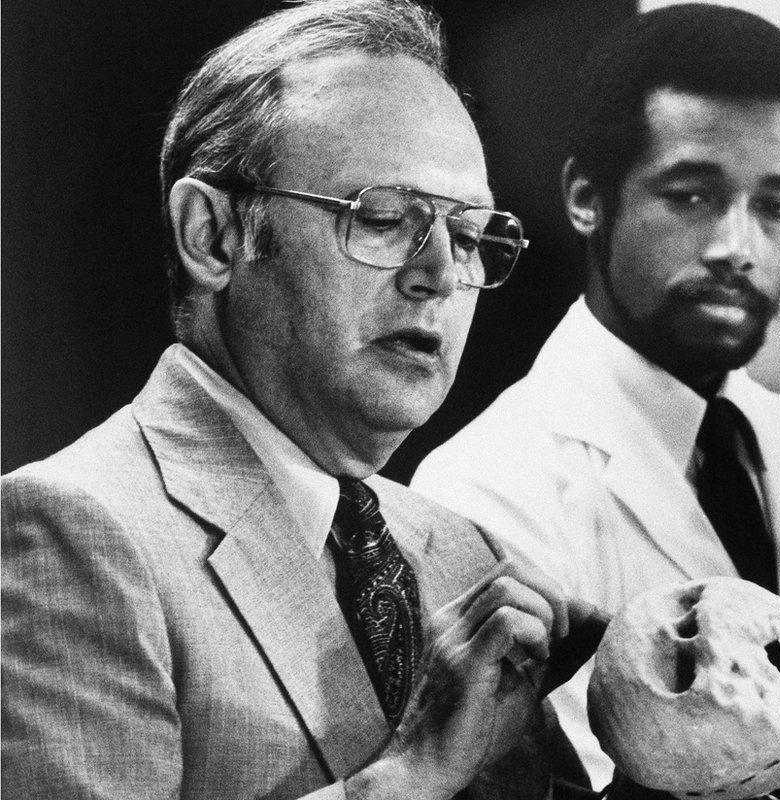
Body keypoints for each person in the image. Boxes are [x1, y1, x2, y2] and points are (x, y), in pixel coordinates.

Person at [1, 2, 595, 798]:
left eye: (468, 235)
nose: (440, 276)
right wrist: (411, 777)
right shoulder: (75, 533)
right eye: (385, 218)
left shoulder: (467, 556)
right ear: (211, 235)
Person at [411, 3, 780, 789]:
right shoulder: (481, 493)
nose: (738, 248)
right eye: (693, 195)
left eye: (774, 206)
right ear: (587, 198)